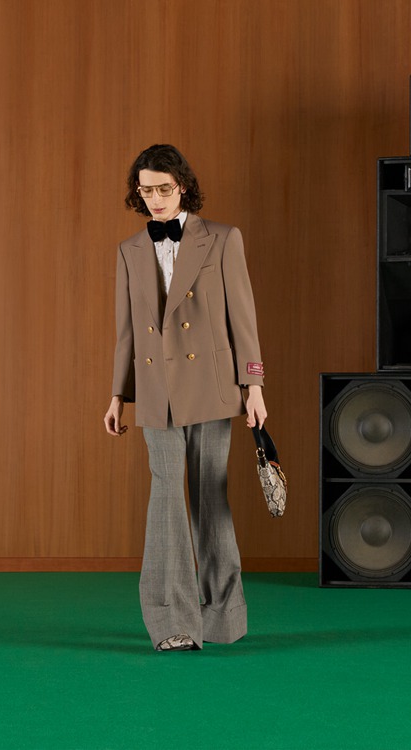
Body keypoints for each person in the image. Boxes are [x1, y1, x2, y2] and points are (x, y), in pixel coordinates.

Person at [104, 144, 267, 652]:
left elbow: (243, 317)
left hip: (212, 388)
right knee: (166, 497)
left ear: (182, 187)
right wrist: (118, 394)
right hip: (157, 389)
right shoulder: (129, 250)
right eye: (146, 190)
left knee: (210, 496)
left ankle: (222, 617)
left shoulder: (222, 238)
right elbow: (127, 331)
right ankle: (172, 621)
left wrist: (254, 385)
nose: (154, 199)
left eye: (163, 189)